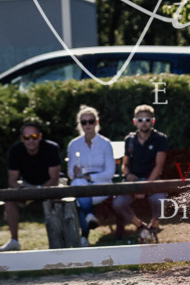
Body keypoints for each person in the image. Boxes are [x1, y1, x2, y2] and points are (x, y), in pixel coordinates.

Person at [0, 120, 62, 251]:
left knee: (61, 198)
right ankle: (14, 240)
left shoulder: (52, 148)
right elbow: (12, 180)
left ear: (40, 137)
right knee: (9, 199)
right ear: (22, 138)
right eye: (27, 137)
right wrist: (23, 190)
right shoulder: (15, 150)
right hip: (27, 185)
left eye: (34, 137)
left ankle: (62, 240)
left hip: (51, 185)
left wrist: (38, 190)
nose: (30, 140)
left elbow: (54, 179)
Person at [113, 104, 169, 240]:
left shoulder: (161, 139)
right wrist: (127, 175)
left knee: (161, 200)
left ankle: (153, 226)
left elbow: (159, 167)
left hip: (153, 181)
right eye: (140, 120)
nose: (144, 123)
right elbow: (124, 165)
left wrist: (145, 186)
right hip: (133, 183)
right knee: (118, 203)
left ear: (153, 121)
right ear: (135, 122)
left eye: (147, 120)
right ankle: (140, 226)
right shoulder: (129, 140)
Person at [66, 106, 115, 247]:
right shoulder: (74, 145)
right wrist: (75, 173)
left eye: (91, 121)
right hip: (81, 183)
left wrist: (90, 178)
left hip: (102, 184)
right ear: (80, 124)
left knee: (81, 196)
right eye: (84, 122)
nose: (87, 125)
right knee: (78, 186)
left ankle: (84, 236)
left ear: (96, 122)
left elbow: (109, 173)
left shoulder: (105, 143)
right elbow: (71, 174)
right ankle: (89, 216)